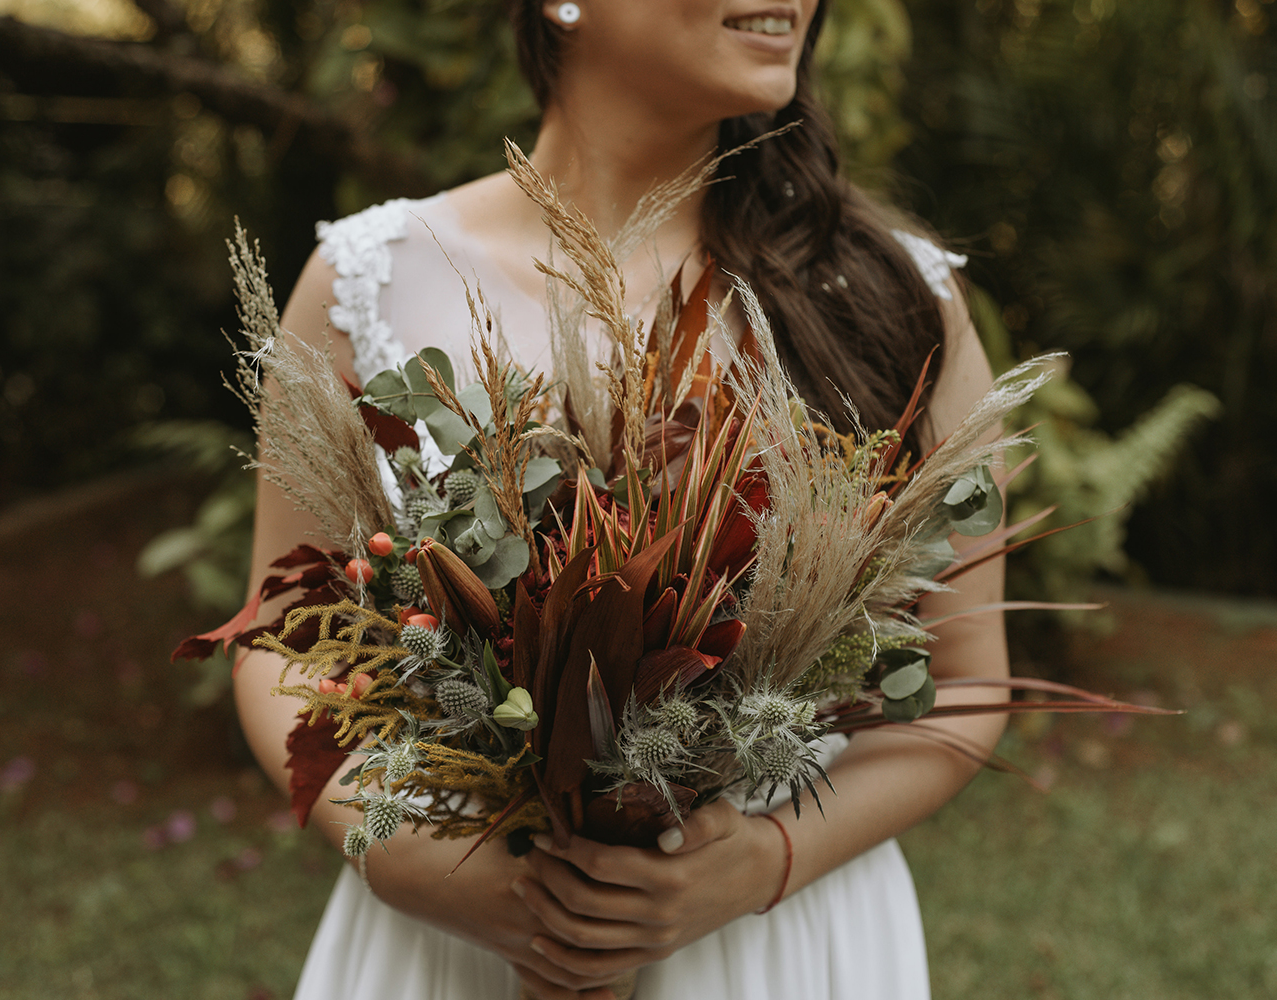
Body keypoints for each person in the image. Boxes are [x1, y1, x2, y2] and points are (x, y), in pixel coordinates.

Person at [234, 2, 1010, 998]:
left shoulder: (888, 295)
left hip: (773, 944)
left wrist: (764, 860)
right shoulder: (373, 281)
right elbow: (285, 642)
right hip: (456, 933)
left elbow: (963, 684)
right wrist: (407, 860)